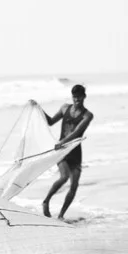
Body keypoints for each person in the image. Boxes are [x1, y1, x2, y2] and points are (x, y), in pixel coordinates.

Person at [37, 84, 94, 219]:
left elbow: (77, 132)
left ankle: (61, 215)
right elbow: (50, 121)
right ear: (72, 97)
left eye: (79, 98)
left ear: (84, 97)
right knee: (64, 177)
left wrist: (62, 142)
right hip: (62, 151)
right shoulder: (65, 108)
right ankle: (46, 201)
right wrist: (38, 108)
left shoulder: (88, 115)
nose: (77, 100)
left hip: (74, 150)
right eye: (75, 98)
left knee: (74, 185)